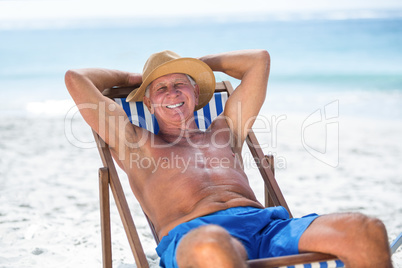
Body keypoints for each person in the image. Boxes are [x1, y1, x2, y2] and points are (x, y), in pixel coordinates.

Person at [65, 49, 393, 268]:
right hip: (196, 236)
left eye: (181, 83)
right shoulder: (136, 143)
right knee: (213, 246)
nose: (172, 92)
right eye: (161, 88)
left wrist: (196, 64)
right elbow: (76, 79)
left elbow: (258, 61)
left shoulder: (225, 131)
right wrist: (132, 79)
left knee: (365, 229)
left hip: (267, 228)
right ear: (148, 103)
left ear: (197, 94)